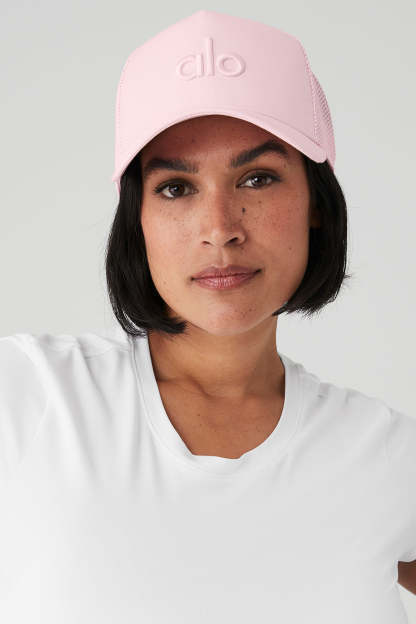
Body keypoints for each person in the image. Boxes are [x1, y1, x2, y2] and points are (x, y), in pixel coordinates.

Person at [0, 9, 415, 623]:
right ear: (137, 219)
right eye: (176, 187)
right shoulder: (26, 398)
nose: (220, 229)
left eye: (257, 178)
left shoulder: (386, 457)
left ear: (316, 203)